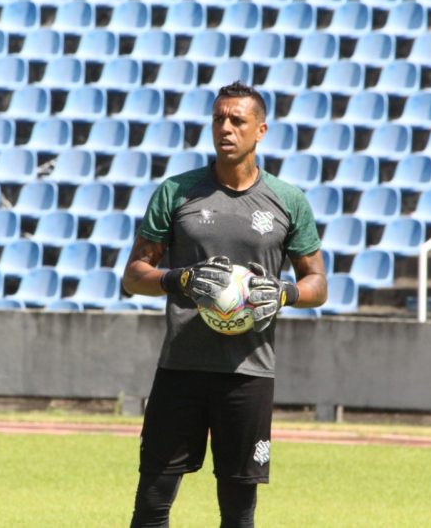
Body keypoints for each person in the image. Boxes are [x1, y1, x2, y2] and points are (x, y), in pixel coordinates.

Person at [122, 81, 327, 528]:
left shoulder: (288, 201)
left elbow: (317, 284)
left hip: (248, 373)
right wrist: (180, 279)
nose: (226, 128)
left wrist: (286, 292)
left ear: (261, 130)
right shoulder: (177, 192)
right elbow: (134, 276)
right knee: (152, 503)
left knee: (238, 512)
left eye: (237, 120)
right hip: (181, 368)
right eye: (219, 119)